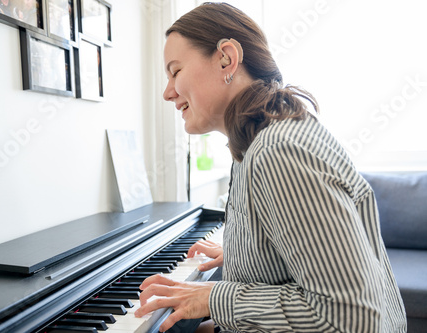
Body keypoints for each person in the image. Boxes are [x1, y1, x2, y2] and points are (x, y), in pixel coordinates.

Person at [134, 2, 407, 333]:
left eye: (175, 71)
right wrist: (246, 251)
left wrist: (213, 298)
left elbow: (351, 317)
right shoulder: (256, 141)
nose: (167, 92)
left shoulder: (279, 152)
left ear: (227, 58)